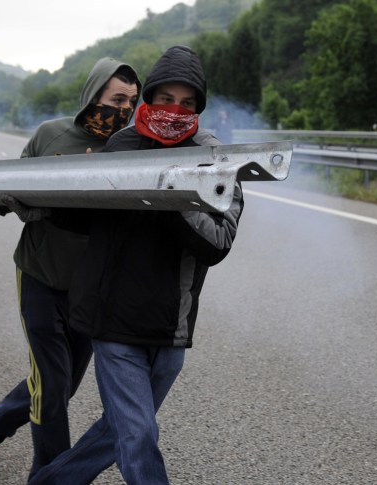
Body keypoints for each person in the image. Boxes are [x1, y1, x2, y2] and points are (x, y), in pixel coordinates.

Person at [28, 45, 244, 484]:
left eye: (187, 103)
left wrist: (171, 193)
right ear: (150, 99)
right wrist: (56, 189)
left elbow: (218, 242)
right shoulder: (120, 145)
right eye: (165, 99)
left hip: (170, 327)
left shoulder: (215, 158)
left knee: (119, 429)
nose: (174, 110)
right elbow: (81, 220)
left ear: (199, 107)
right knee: (139, 432)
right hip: (113, 321)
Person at [0, 58, 141, 477]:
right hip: (39, 275)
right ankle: (50, 475)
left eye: (131, 101)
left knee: (63, 386)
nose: (124, 109)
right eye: (116, 98)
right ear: (94, 94)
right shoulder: (50, 134)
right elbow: (11, 194)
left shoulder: (131, 147)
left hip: (92, 289)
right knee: (50, 390)